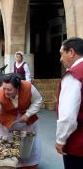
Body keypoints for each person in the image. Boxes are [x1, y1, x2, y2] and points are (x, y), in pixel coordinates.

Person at [0, 73, 43, 168]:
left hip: (26, 120)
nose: (5, 92)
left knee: (28, 143)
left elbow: (38, 101)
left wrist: (28, 114)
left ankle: (28, 164)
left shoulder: (28, 87)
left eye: (9, 89)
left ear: (17, 88)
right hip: (7, 120)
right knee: (7, 141)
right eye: (4, 88)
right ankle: (9, 163)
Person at [55, 37, 83, 168]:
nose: (61, 59)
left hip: (78, 143)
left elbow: (68, 115)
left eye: (62, 53)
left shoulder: (74, 75)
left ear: (71, 52)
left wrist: (61, 139)